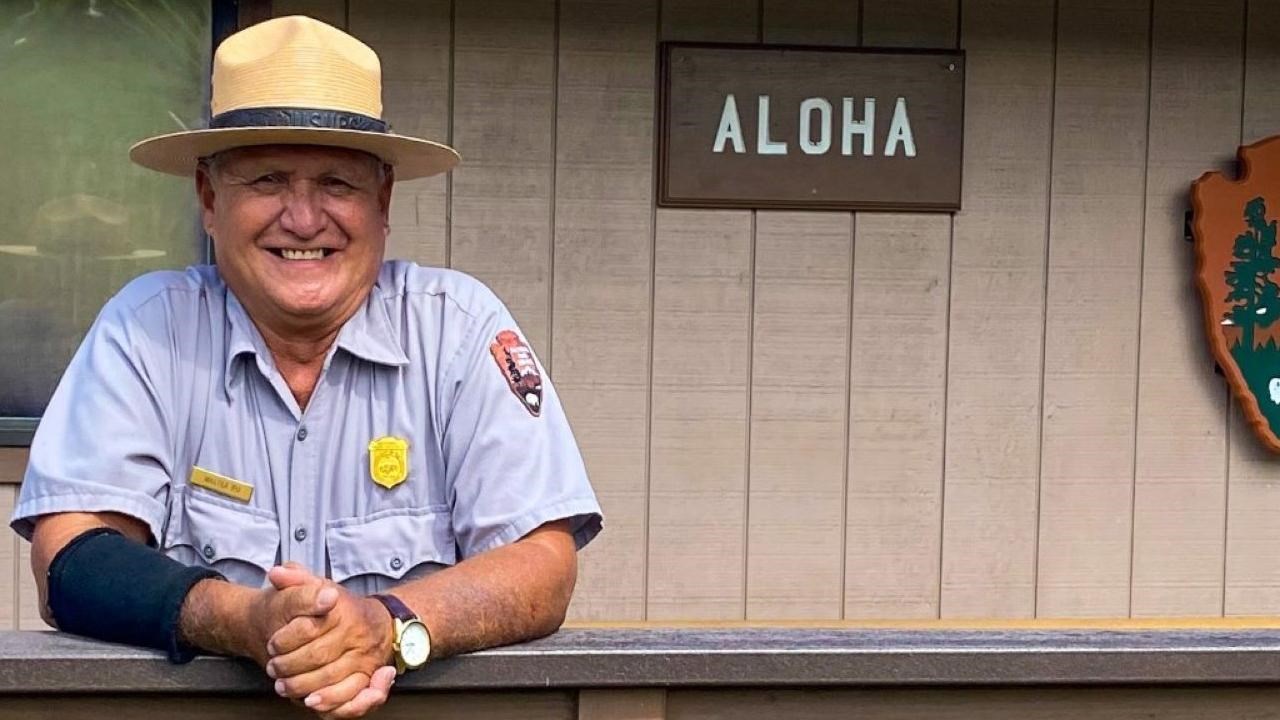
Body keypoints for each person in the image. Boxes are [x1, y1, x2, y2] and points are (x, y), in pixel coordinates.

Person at [10, 15, 601, 720]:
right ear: (208, 198)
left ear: (382, 201)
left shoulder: (459, 328)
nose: (302, 217)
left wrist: (387, 627)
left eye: (337, 184)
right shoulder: (147, 330)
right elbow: (72, 561)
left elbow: (543, 565)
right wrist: (243, 619)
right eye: (266, 179)